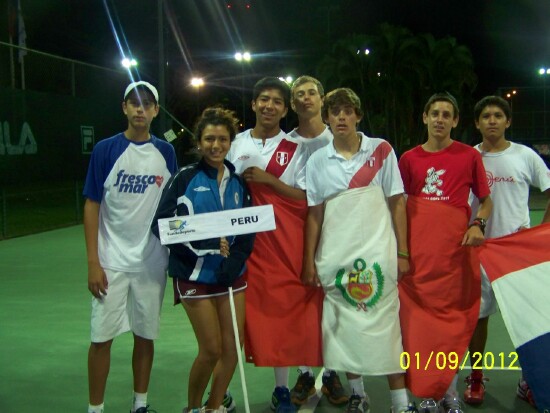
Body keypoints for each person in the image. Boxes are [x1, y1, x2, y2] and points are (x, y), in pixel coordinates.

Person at [302, 87, 418, 413]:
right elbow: (315, 214)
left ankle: (400, 401)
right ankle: (358, 394)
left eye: (347, 110)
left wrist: (403, 252)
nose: (341, 117)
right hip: (336, 256)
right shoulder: (316, 160)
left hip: (378, 252)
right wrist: (308, 261)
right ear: (326, 118)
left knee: (386, 324)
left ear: (358, 115)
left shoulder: (381, 150)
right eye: (334, 111)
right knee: (347, 326)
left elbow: (397, 203)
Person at [226, 77, 324, 413]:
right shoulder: (233, 144)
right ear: (253, 104)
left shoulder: (295, 150)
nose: (269, 106)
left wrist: (269, 181)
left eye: (277, 102)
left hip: (280, 245)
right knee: (235, 319)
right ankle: (221, 388)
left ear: (285, 110)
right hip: (239, 245)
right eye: (263, 99)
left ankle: (282, 389)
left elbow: (307, 198)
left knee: (279, 315)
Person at [151, 107, 255, 413]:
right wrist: (205, 244)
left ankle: (213, 407)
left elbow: (245, 230)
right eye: (209, 138)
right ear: (199, 140)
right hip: (194, 275)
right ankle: (193, 408)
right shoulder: (185, 178)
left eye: (222, 139)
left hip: (231, 276)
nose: (216, 145)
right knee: (210, 350)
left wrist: (235, 260)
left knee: (232, 350)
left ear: (230, 142)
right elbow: (162, 226)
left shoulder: (238, 181)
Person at [83, 81, 178, 413]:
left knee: (145, 335)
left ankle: (140, 404)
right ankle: (95, 408)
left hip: (152, 262)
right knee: (101, 339)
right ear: (125, 108)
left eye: (147, 104)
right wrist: (94, 262)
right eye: (134, 103)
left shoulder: (165, 152)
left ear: (155, 111)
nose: (140, 109)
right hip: (111, 262)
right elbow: (92, 204)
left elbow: (173, 203)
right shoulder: (105, 150)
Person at [398, 92, 492, 413]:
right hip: (418, 257)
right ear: (424, 117)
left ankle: (449, 392)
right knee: (418, 326)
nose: (440, 119)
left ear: (455, 121)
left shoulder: (469, 156)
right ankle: (423, 396)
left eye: (446, 114)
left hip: (454, 255)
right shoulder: (408, 159)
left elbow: (486, 199)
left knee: (451, 326)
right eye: (434, 113)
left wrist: (477, 223)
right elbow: (401, 207)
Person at [463, 96, 550, 407]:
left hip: (517, 255)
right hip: (479, 251)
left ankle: (527, 380)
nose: (492, 120)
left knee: (523, 318)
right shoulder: (469, 157)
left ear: (508, 121)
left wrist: (540, 236)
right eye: (485, 115)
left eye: (498, 115)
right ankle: (475, 377)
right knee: (479, 318)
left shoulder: (525, 156)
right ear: (476, 123)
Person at [286, 75, 348, 407]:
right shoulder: (285, 145)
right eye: (299, 95)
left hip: (339, 234)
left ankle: (334, 371)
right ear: (293, 103)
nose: (306, 98)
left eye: (312, 93)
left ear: (322, 99)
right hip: (297, 233)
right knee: (302, 306)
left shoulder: (337, 137)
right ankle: (306, 373)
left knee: (337, 303)